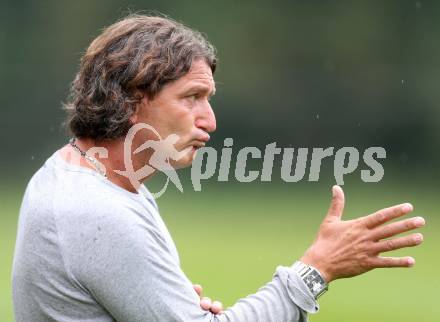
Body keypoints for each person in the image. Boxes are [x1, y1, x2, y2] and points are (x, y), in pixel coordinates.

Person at [12, 14, 425, 322]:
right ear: (133, 98)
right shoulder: (95, 210)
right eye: (192, 97)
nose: (210, 121)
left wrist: (167, 305)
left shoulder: (78, 174)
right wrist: (317, 270)